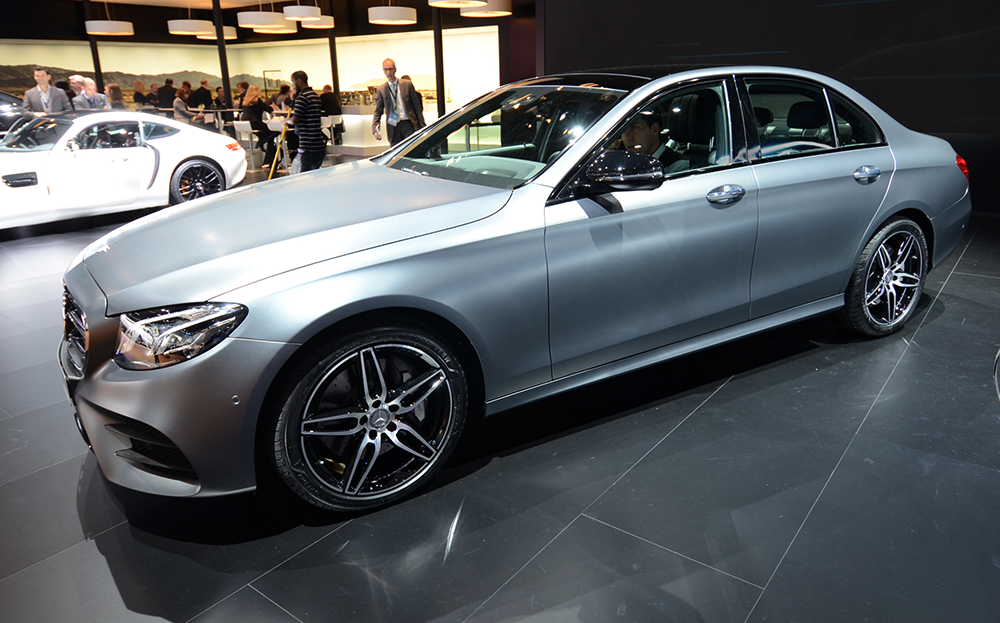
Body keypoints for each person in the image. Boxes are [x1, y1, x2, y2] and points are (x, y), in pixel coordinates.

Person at [371, 58, 425, 146]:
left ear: (395, 69)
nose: (388, 72)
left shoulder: (407, 85)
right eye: (386, 70)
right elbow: (378, 111)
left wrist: (422, 126)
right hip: (393, 125)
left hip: (408, 123)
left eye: (390, 69)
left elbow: (417, 107)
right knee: (396, 153)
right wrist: (375, 128)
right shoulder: (381, 89)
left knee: (411, 149)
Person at [615, 109, 684, 169]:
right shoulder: (623, 163)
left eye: (634, 128)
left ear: (654, 129)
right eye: (623, 130)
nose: (627, 137)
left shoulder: (680, 167)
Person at [289, 70, 325, 172]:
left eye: (293, 81)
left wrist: (286, 121)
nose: (293, 85)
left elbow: (295, 120)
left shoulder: (302, 97)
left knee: (306, 178)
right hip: (319, 144)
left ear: (299, 81)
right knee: (315, 175)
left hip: (308, 146)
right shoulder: (315, 95)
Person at [241, 84, 277, 168]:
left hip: (247, 123)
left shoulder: (246, 101)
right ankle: (263, 147)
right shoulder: (256, 100)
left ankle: (267, 158)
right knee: (274, 133)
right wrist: (272, 108)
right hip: (255, 123)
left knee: (269, 136)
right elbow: (269, 109)